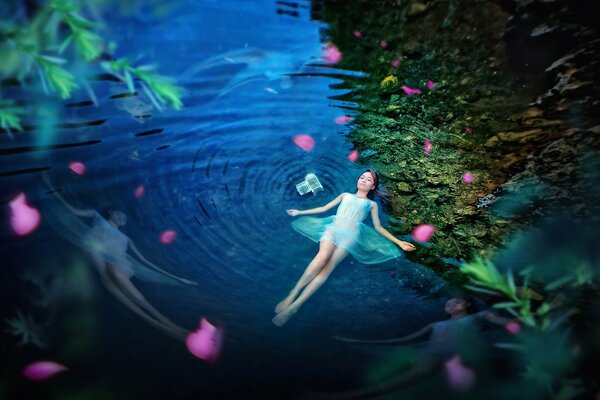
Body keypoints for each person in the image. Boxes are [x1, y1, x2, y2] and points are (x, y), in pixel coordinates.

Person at [44, 176, 195, 341]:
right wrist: (52, 188)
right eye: (118, 214)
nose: (122, 218)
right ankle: (161, 325)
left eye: (124, 218)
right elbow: (73, 210)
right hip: (96, 250)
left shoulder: (125, 238)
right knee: (109, 280)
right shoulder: (98, 217)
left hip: (117, 261)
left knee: (120, 281)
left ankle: (169, 325)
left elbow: (145, 261)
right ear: (111, 212)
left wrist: (177, 277)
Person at [273, 169, 417, 327]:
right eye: (362, 177)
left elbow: (378, 227)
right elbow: (323, 208)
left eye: (368, 180)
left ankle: (295, 306)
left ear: (373, 186)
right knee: (321, 257)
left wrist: (399, 242)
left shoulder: (371, 204)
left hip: (350, 236)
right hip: (333, 229)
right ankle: (291, 294)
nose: (363, 180)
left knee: (327, 268)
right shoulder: (345, 195)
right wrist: (300, 211)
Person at [329, 296, 513, 398]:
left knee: (419, 374)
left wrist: (518, 321)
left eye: (456, 301)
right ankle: (350, 394)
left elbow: (503, 321)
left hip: (460, 353)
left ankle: (348, 396)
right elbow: (404, 339)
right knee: (409, 375)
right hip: (432, 355)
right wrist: (361, 342)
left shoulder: (479, 316)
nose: (451, 305)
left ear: (467, 304)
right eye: (448, 303)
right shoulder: (435, 325)